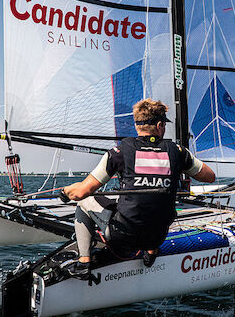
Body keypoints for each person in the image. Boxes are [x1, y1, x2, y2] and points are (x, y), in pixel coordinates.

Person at [61, 98, 215, 277]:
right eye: (164, 125)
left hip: (123, 236)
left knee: (85, 202)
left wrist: (65, 192)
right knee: (155, 205)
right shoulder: (178, 152)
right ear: (159, 125)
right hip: (158, 237)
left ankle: (83, 263)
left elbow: (81, 192)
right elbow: (210, 177)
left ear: (137, 126)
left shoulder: (119, 152)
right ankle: (150, 252)